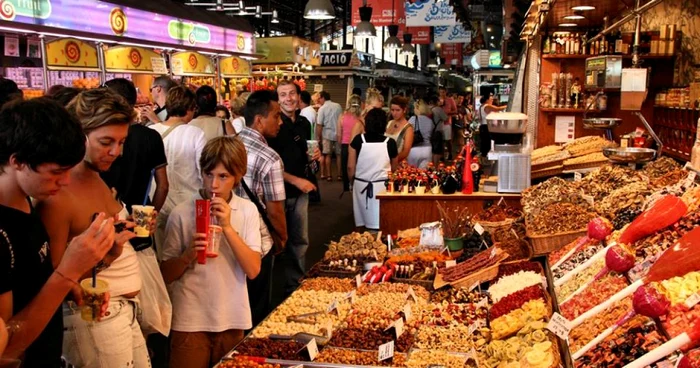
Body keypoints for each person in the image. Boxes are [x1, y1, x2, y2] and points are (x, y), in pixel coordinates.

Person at [38, 89, 151, 367]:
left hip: (120, 312)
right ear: (79, 134)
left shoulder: (95, 176)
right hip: (94, 317)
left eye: (122, 142)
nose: (117, 151)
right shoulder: (59, 191)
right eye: (106, 142)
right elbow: (56, 278)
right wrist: (107, 257)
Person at [0, 98, 117, 365]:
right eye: (56, 172)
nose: (65, 182)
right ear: (17, 161)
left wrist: (73, 287)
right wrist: (68, 272)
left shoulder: (27, 202)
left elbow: (34, 282)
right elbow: (7, 346)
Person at [161, 137, 262, 368]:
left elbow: (253, 269)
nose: (214, 185)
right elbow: (165, 273)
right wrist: (187, 256)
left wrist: (227, 227)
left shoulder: (246, 211)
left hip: (232, 317)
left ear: (237, 177)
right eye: (209, 174)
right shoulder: (181, 213)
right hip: (189, 319)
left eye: (223, 176)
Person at [235, 90, 288, 326]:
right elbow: (275, 209)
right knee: (257, 304)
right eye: (276, 116)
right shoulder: (270, 157)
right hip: (257, 241)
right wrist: (282, 238)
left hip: (228, 236)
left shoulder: (228, 144)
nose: (280, 121)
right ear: (259, 120)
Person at [272, 80, 319, 295]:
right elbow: (269, 165)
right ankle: (272, 287)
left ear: (298, 96)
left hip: (301, 191)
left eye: (292, 93)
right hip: (276, 193)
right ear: (278, 99)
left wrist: (315, 158)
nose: (288, 98)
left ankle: (296, 281)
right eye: (283, 95)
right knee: (277, 240)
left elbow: (310, 151)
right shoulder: (273, 125)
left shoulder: (304, 123)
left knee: (300, 238)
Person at [149, 86, 207, 253]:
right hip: (188, 204)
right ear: (190, 108)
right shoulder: (195, 133)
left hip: (158, 203)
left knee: (162, 254)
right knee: (186, 254)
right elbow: (203, 170)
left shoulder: (151, 131)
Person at [100, 78, 169, 214]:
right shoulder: (151, 136)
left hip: (107, 216)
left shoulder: (102, 136)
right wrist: (150, 216)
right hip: (139, 215)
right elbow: (163, 186)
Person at [348, 108, 398, 230]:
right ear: (384, 124)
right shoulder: (390, 142)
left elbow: (350, 167)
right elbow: (394, 168)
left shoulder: (358, 140)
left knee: (361, 222)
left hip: (361, 184)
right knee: (380, 220)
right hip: (382, 187)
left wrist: (351, 183)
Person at [315, 91, 343, 181]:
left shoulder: (322, 109)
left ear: (323, 98)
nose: (319, 100)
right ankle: (339, 175)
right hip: (339, 133)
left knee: (328, 155)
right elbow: (341, 120)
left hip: (327, 134)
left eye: (319, 98)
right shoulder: (338, 106)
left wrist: (318, 137)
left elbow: (319, 124)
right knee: (339, 155)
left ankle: (329, 176)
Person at [338, 95, 362, 191]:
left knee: (345, 167)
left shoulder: (342, 116)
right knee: (357, 167)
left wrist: (342, 143)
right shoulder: (361, 118)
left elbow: (339, 134)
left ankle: (346, 187)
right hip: (357, 146)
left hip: (345, 145)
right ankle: (356, 186)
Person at [384, 96, 414, 163]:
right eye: (392, 110)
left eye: (398, 110)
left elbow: (405, 152)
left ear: (404, 110)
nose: (394, 113)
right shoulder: (389, 123)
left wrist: (392, 161)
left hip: (397, 163)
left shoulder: (408, 128)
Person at [407, 99, 434, 169]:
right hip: (427, 149)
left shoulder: (412, 119)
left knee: (412, 173)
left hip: (414, 150)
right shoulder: (430, 121)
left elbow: (406, 133)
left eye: (415, 108)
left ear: (417, 108)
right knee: (424, 175)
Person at [439, 87, 457, 160]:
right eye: (440, 92)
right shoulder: (437, 100)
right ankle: (442, 155)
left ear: (445, 92)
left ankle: (450, 153)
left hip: (447, 123)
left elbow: (455, 110)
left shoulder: (450, 100)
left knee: (448, 140)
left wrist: (447, 113)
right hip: (439, 123)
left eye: (443, 92)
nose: (442, 94)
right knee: (441, 140)